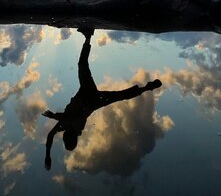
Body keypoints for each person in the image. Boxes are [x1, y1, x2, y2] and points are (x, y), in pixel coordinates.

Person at [42, 28, 162, 170]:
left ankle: (146, 88)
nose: (65, 136)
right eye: (67, 139)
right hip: (89, 96)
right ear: (68, 137)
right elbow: (69, 118)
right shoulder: (69, 125)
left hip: (93, 100)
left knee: (120, 95)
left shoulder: (65, 127)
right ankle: (88, 37)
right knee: (83, 66)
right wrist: (53, 116)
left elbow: (51, 135)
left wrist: (48, 154)